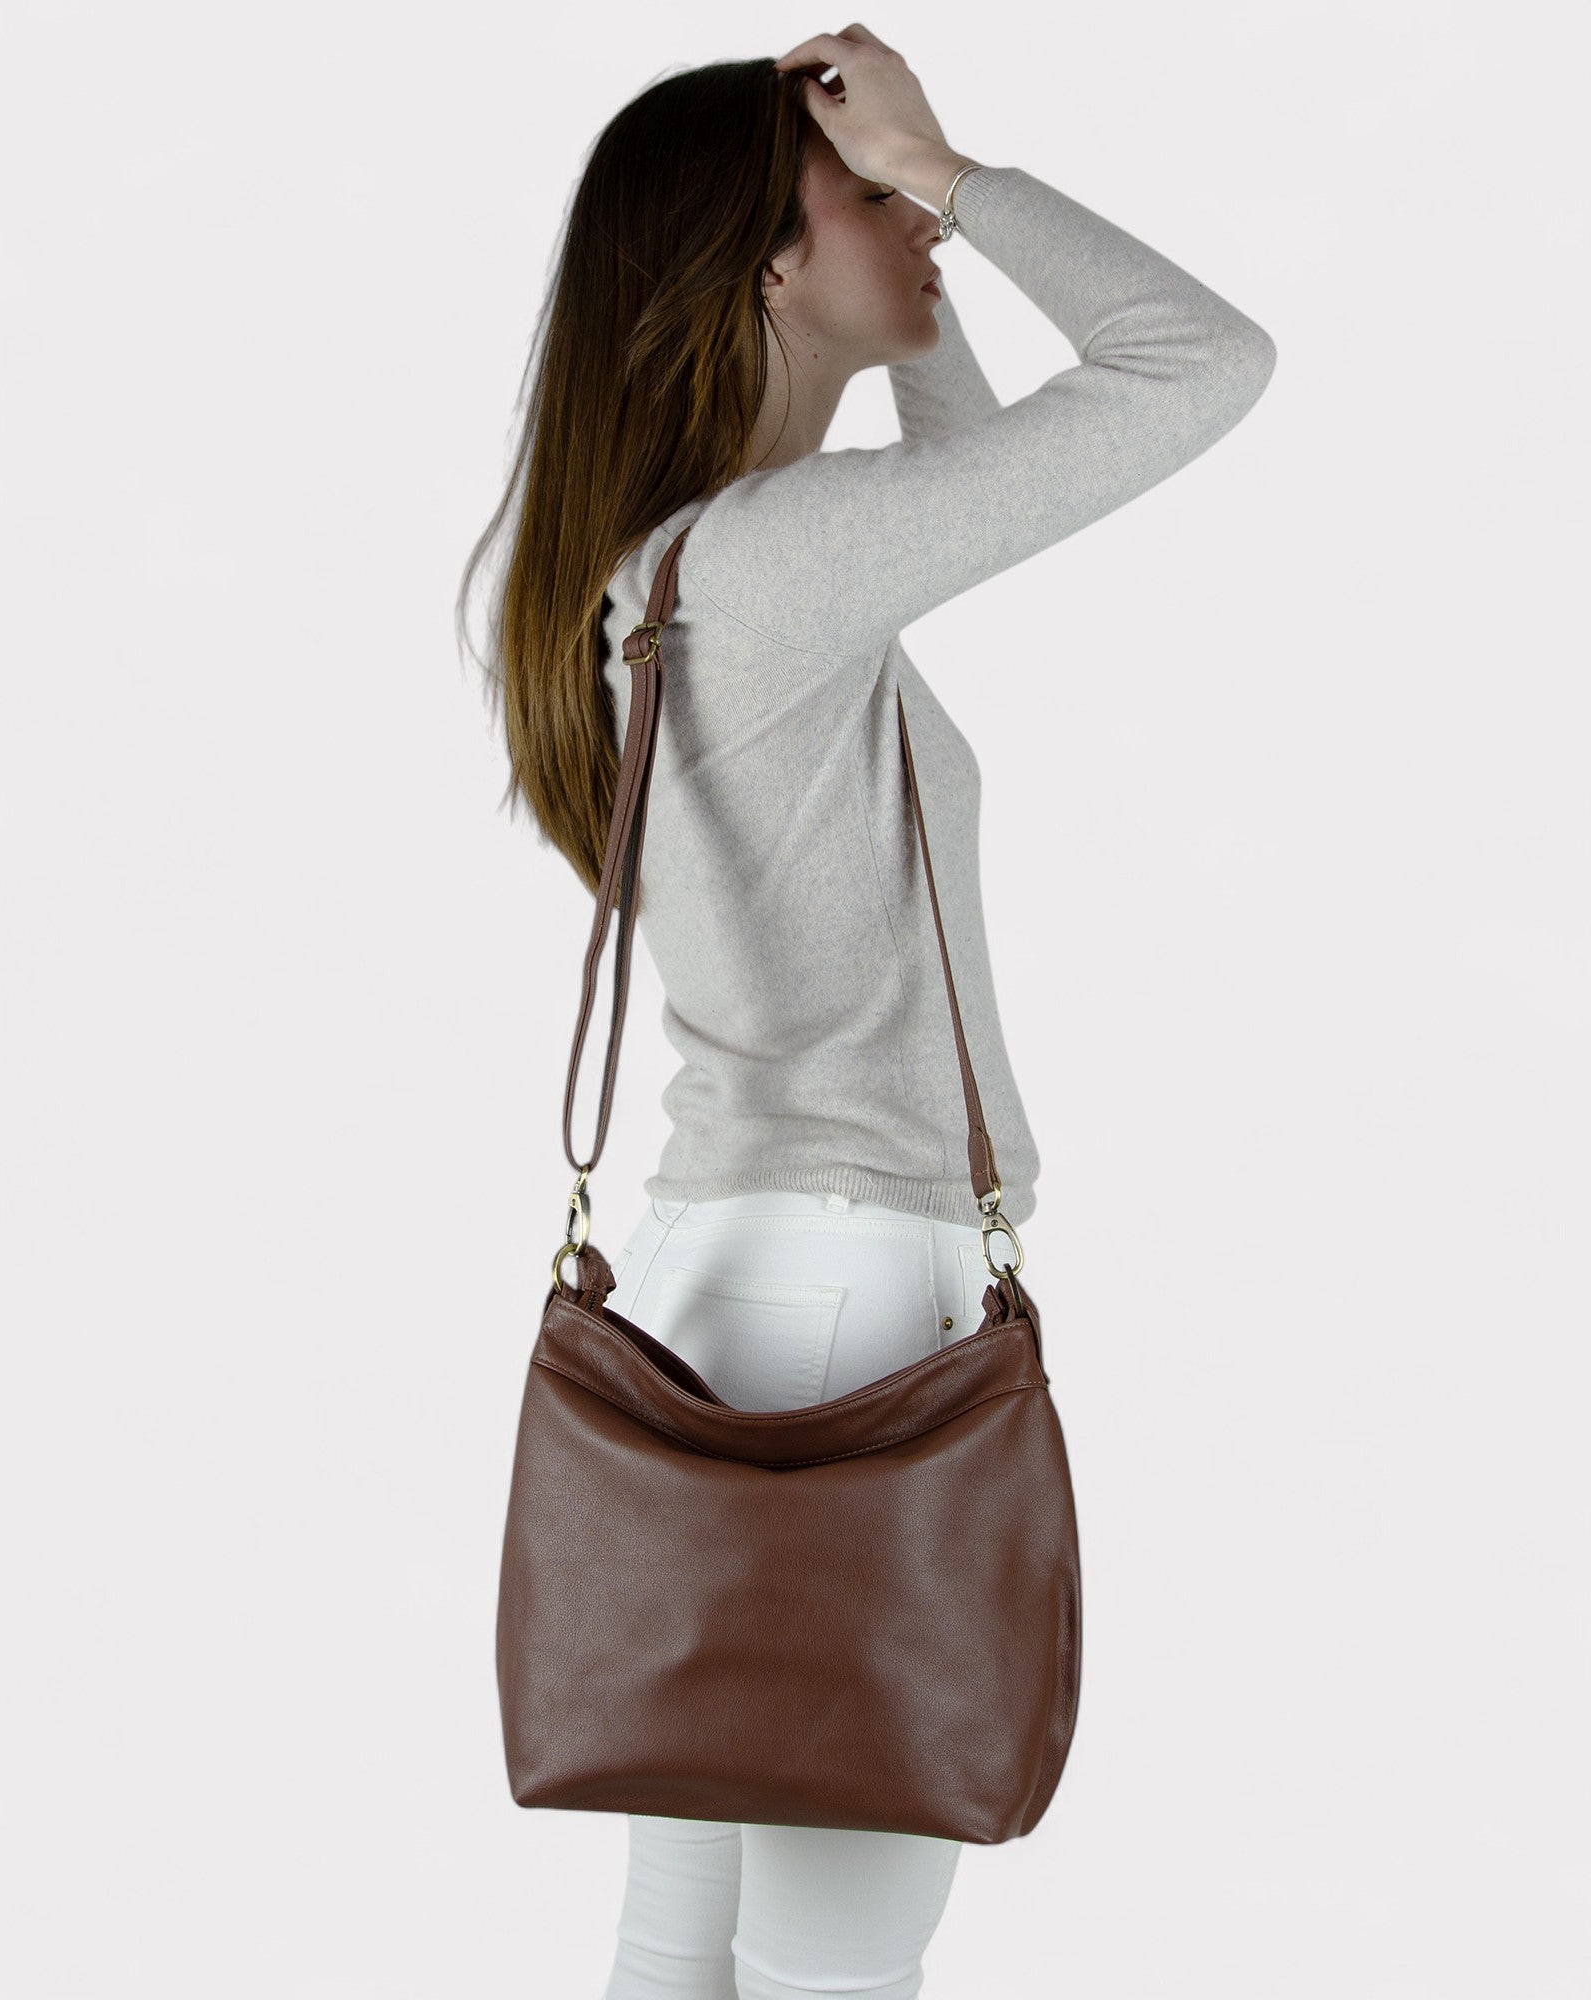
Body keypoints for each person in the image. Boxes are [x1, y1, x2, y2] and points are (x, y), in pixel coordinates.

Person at [458, 23, 1276, 1998]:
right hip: (845, 1295)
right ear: (759, 259)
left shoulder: (671, 577)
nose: (911, 219)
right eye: (862, 198)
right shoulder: (777, 570)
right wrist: (962, 166)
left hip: (704, 1281)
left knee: (683, 1935)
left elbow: (967, 473)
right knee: (839, 1960)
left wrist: (902, 209)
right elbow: (1199, 363)